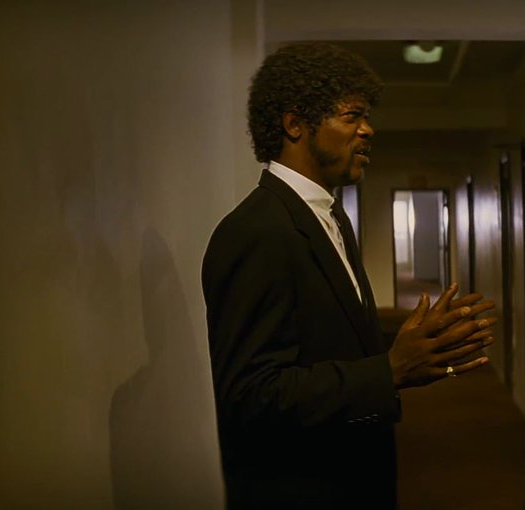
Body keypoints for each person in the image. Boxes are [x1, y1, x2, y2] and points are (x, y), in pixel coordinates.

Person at [202, 42, 496, 509]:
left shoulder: (332, 217)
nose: (368, 129)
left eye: (366, 117)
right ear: (295, 124)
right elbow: (250, 396)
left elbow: (328, 342)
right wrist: (388, 370)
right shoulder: (256, 231)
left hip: (352, 475)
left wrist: (414, 347)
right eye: (352, 116)